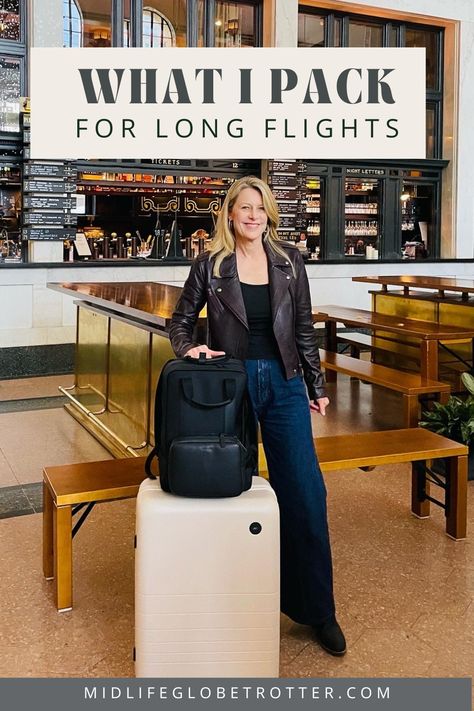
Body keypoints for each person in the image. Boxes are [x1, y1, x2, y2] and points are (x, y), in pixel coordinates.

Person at [169, 175, 346, 656]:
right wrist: (190, 348)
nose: (252, 215)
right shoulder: (210, 265)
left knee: (306, 493)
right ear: (229, 214)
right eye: (244, 207)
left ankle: (318, 610)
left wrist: (315, 385)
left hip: (286, 385)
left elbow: (304, 327)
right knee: (231, 492)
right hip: (233, 385)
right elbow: (180, 322)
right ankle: (233, 601)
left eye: (260, 208)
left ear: (269, 215)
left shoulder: (291, 263)